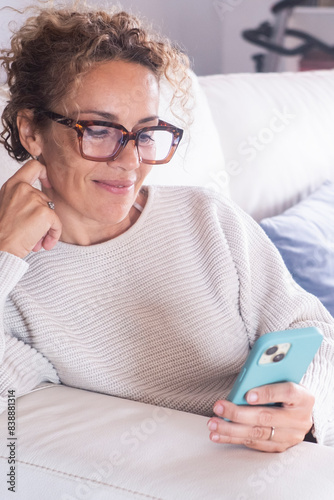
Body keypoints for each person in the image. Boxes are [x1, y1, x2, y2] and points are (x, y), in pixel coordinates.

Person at [0, 4, 333, 453]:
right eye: (99, 130)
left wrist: (308, 412)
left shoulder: (208, 218)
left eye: (145, 133)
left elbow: (314, 331)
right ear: (31, 132)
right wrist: (4, 254)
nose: (129, 162)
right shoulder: (15, 279)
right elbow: (12, 415)